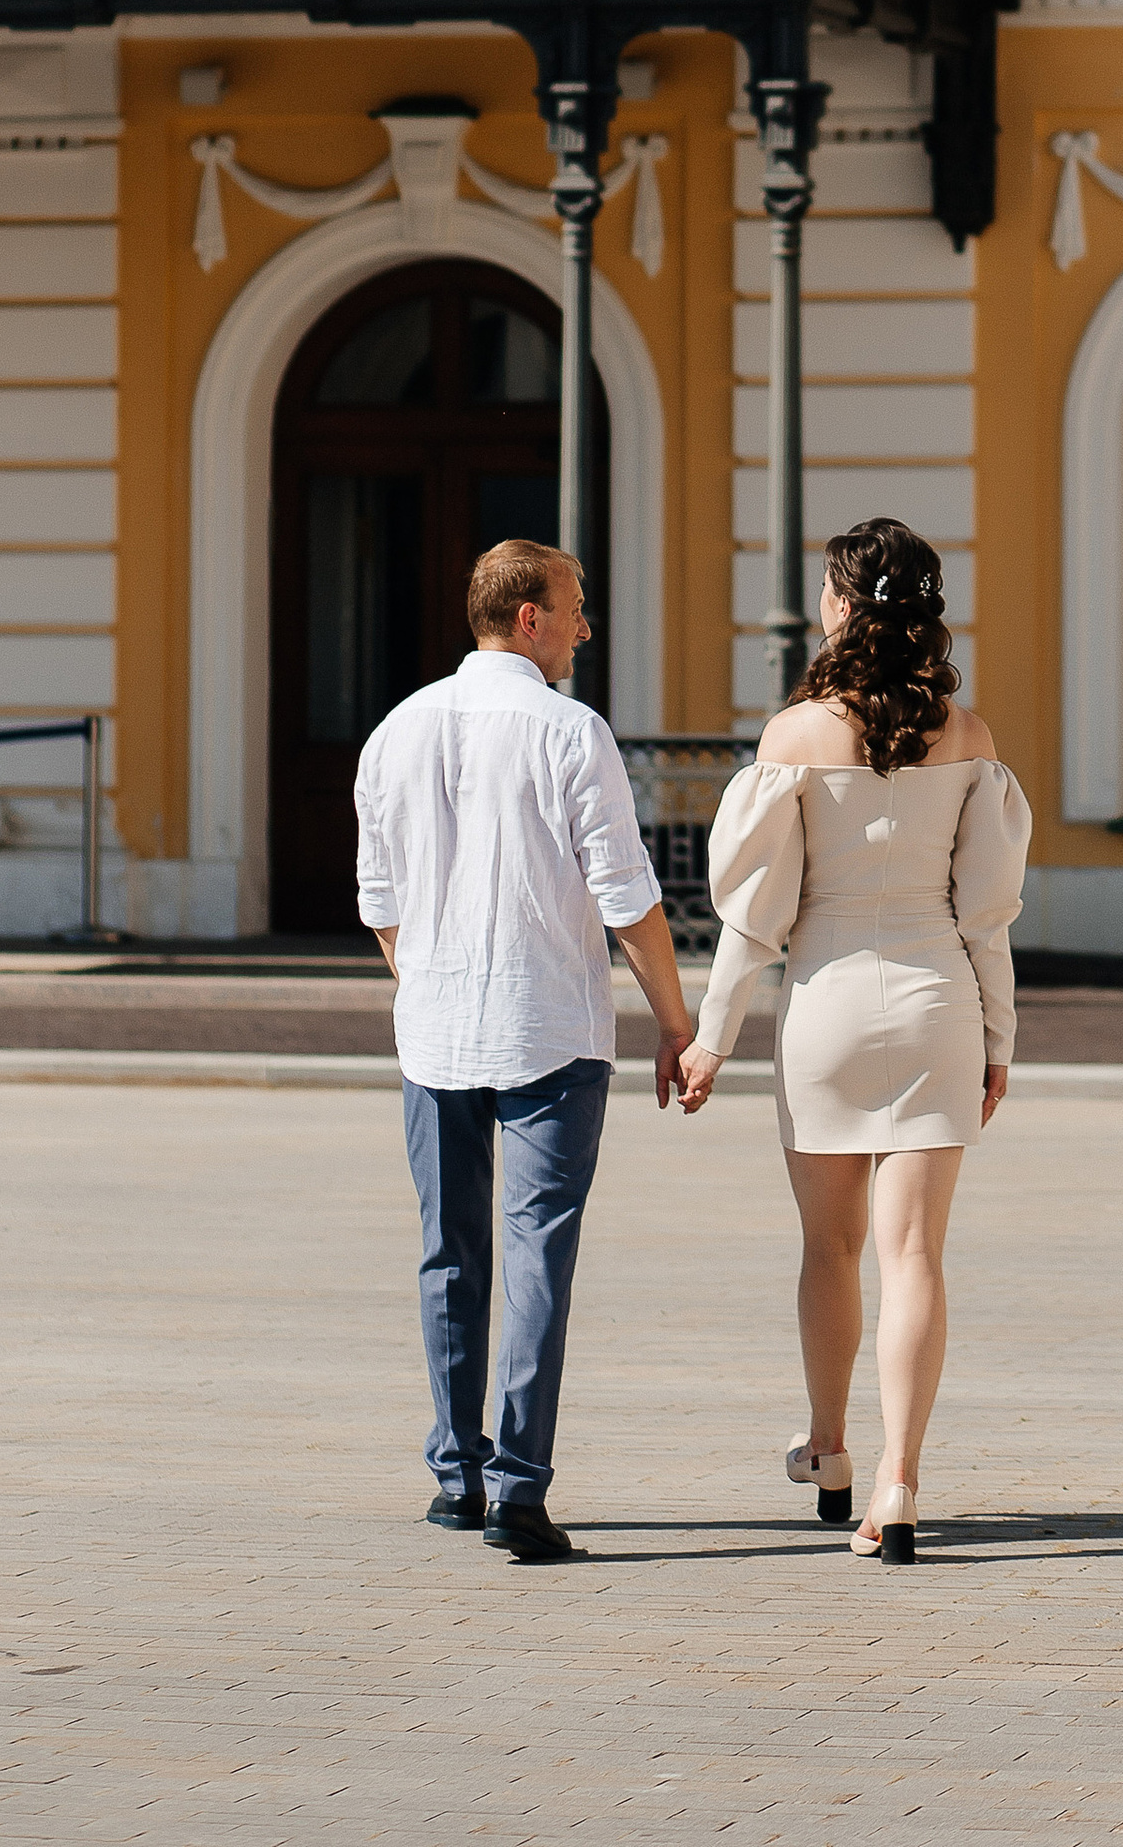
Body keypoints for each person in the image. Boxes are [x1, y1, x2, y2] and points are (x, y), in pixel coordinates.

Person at [679, 515, 1031, 1567]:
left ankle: (828, 1452)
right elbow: (987, 918)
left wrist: (709, 1038)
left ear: (839, 607)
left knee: (826, 1248)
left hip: (824, 1004)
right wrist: (1000, 1038)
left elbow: (754, 917)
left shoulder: (791, 741)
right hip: (937, 1006)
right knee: (914, 1253)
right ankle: (899, 1481)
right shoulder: (969, 739)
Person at [355, 534, 707, 1565]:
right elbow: (628, 898)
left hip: (434, 1036)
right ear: (530, 619)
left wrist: (426, 989)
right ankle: (519, 1488)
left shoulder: (394, 731)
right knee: (535, 1256)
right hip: (548, 1027)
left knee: (446, 1254)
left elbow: (381, 907)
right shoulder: (569, 730)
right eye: (577, 605)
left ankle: (457, 1475)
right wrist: (674, 1024)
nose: (586, 625)